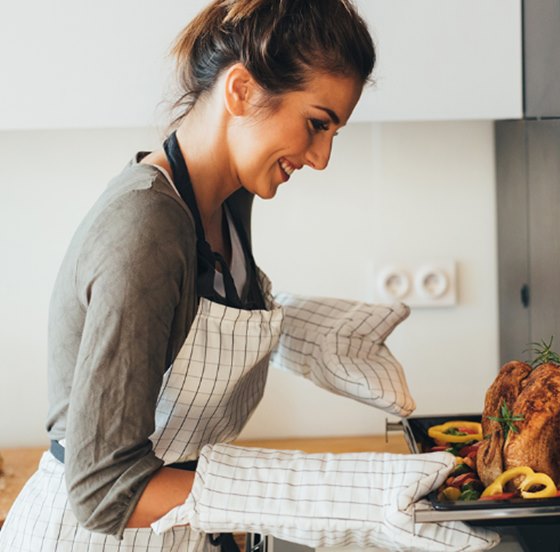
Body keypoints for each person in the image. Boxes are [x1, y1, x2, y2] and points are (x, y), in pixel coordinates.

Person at [0, 1, 499, 550]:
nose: (322, 157)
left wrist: (300, 332)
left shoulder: (227, 201)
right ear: (241, 90)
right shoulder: (146, 226)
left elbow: (189, 320)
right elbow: (102, 489)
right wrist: (325, 496)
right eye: (316, 124)